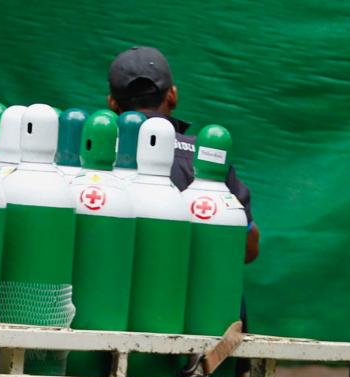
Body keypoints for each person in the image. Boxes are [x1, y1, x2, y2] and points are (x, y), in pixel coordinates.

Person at [107, 45, 260, 264]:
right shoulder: (206, 156)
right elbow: (248, 248)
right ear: (173, 95)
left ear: (112, 104)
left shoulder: (91, 161)